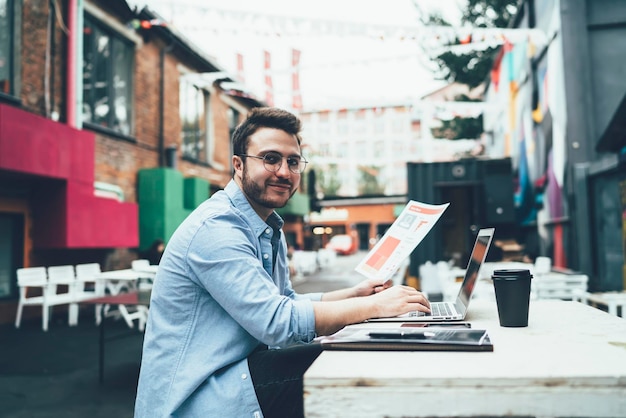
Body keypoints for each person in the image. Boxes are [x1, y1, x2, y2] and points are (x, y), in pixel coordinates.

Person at [134, 107, 430, 418]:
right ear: (238, 164)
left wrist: (355, 295)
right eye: (271, 158)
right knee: (351, 366)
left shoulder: (266, 225)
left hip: (240, 374)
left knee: (352, 358)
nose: (285, 172)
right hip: (199, 398)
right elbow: (277, 323)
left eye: (293, 161)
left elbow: (285, 301)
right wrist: (376, 307)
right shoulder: (217, 229)